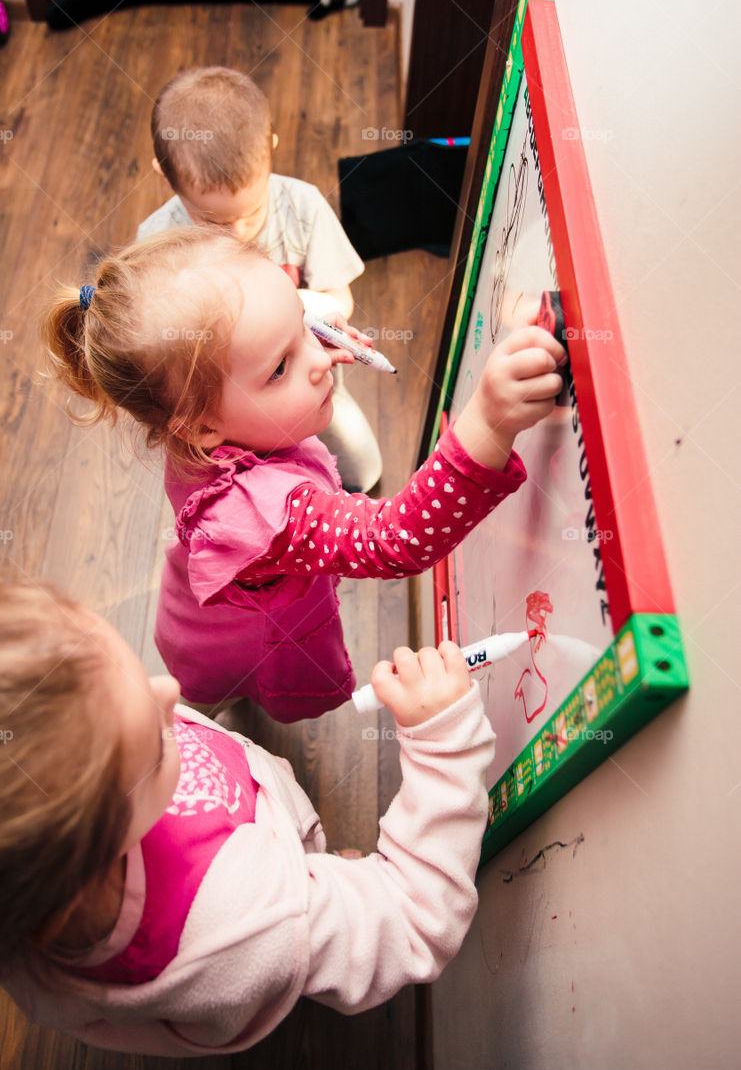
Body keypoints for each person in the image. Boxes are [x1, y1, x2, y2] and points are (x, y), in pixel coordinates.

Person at [0, 582, 494, 1057]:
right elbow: (412, 920)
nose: (171, 692)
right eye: (154, 743)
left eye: (130, 672)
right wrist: (443, 741)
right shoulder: (246, 921)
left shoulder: (7, 886)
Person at [41, 227, 565, 723]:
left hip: (192, 614)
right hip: (230, 650)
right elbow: (394, 540)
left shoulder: (197, 421)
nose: (320, 361)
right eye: (279, 367)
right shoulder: (261, 515)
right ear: (201, 427)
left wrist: (294, 330)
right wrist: (489, 424)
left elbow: (265, 325)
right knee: (205, 713)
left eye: (301, 324)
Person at [137, 64, 383, 493]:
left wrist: (300, 307)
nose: (235, 238)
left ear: (270, 148)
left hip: (311, 391)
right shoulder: (158, 246)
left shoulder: (302, 208)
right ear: (165, 176)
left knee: (362, 474)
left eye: (250, 216)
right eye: (212, 221)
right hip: (226, 424)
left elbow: (339, 299)